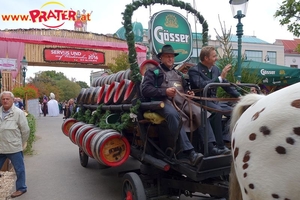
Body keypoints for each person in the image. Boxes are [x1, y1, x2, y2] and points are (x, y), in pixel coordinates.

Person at [142, 45, 228, 166]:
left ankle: (210, 147)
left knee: (201, 112)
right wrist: (164, 92)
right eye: (167, 56)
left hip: (182, 102)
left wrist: (189, 92)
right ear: (161, 58)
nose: (170, 59)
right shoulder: (153, 72)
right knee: (172, 114)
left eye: (172, 57)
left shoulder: (178, 74)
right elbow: (145, 90)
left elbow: (186, 87)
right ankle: (189, 152)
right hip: (162, 102)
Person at [188, 46, 241, 152]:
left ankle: (227, 140)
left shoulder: (215, 69)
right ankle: (219, 146)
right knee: (218, 111)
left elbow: (225, 84)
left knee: (234, 110)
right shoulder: (194, 70)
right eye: (214, 56)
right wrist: (220, 78)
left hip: (214, 101)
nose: (216, 58)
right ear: (206, 58)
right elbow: (201, 85)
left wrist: (239, 96)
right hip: (201, 100)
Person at [0, 91, 30, 198]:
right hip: (0, 147)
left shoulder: (18, 113)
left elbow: (25, 131)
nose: (5, 101)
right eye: (3, 99)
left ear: (12, 100)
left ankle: (21, 188)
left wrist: (20, 143)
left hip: (14, 147)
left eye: (7, 99)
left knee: (19, 169)